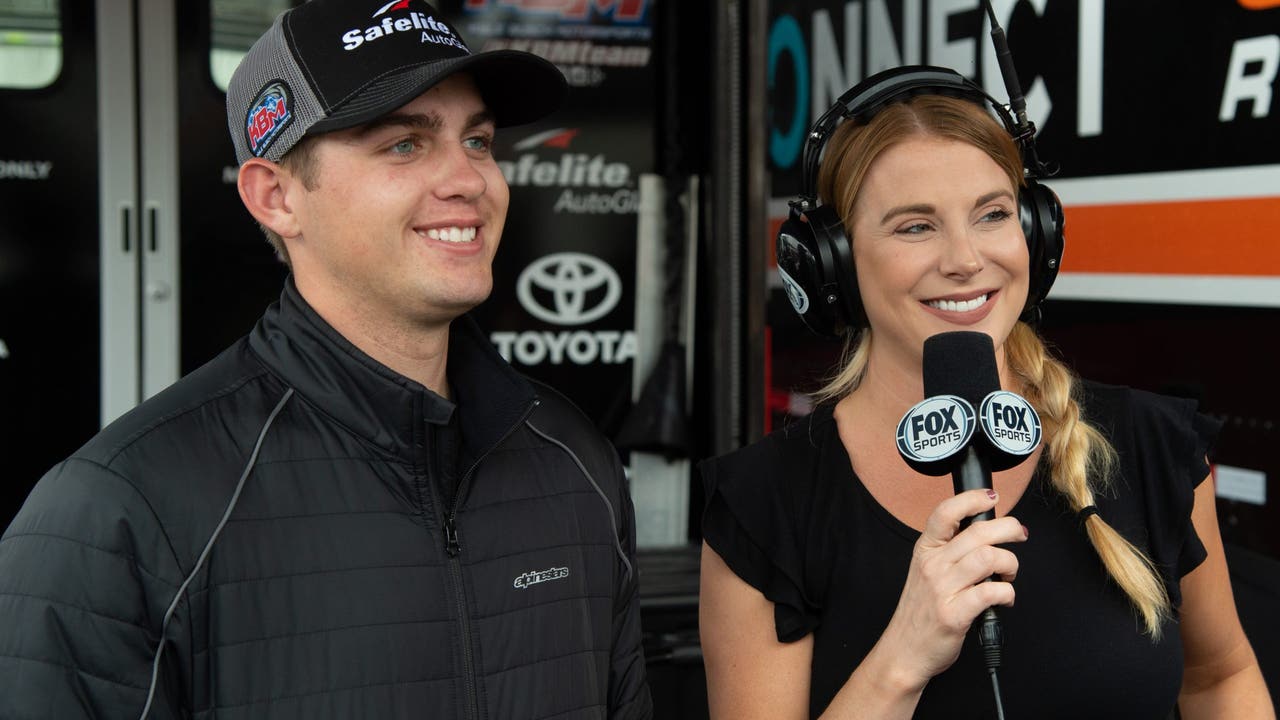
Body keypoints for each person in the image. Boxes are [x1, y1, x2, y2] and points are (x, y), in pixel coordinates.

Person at [0, 1, 652, 717]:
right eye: (405, 144)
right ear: (275, 196)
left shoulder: (574, 461)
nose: (469, 180)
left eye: (479, 141)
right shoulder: (120, 511)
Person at [698, 66, 1274, 719]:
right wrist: (903, 656)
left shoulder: (1151, 446)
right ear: (832, 264)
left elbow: (1221, 680)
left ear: (1036, 231)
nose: (966, 259)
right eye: (915, 226)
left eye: (992, 214)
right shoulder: (764, 505)